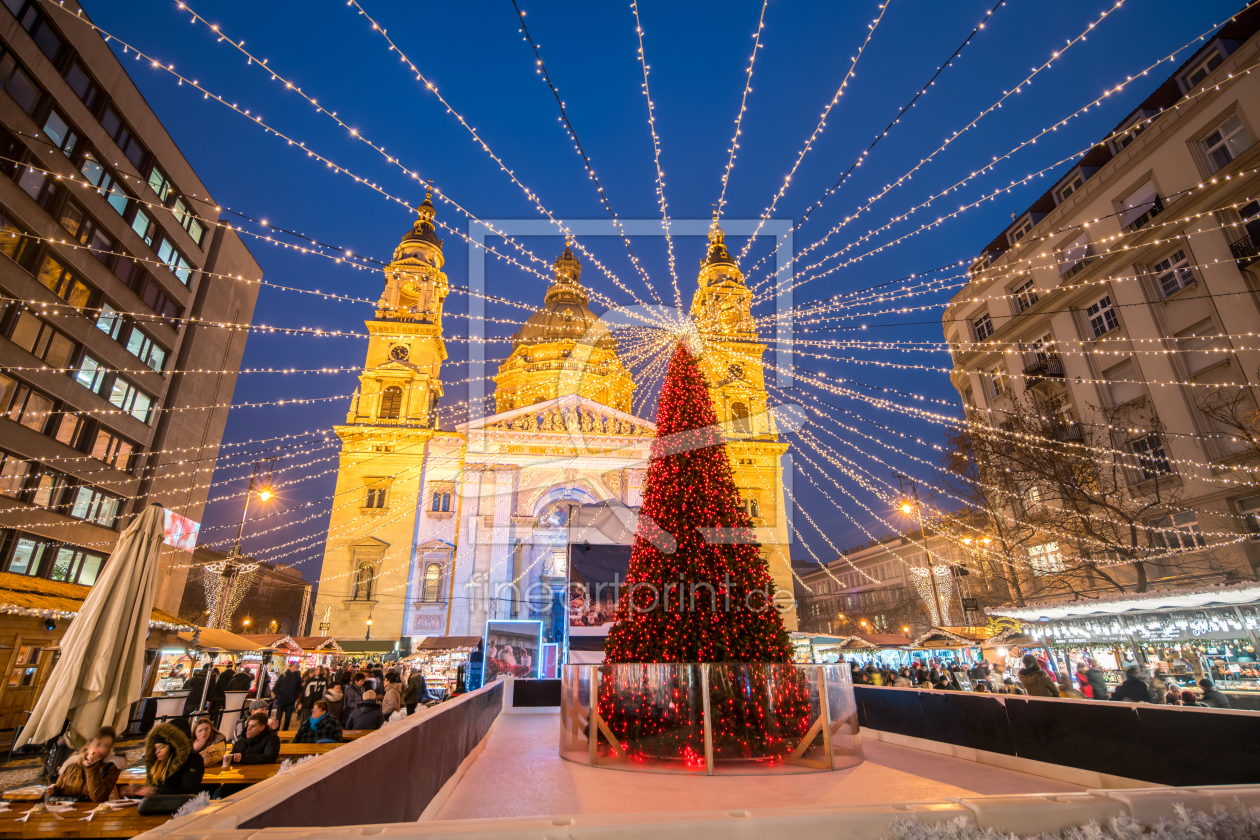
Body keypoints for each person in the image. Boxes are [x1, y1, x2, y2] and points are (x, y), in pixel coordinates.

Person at [128, 722, 204, 797]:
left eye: (162, 747)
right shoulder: (157, 763)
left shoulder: (193, 760)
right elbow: (151, 790)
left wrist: (155, 791)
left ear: (172, 747)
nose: (157, 752)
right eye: (156, 748)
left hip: (181, 807)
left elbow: (189, 791)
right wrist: (136, 792)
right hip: (157, 806)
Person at [48, 726, 122, 802]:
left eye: (106, 746)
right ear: (88, 745)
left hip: (92, 811)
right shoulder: (72, 762)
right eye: (98, 744)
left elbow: (98, 798)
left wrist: (92, 767)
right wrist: (52, 790)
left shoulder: (111, 767)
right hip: (65, 809)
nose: (102, 749)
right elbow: (58, 787)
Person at [272, 662, 302, 730]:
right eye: (296, 666)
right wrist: (278, 695)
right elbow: (276, 687)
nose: (297, 667)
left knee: (288, 718)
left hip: (290, 700)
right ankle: (276, 730)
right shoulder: (284, 675)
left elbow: (299, 689)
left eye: (298, 666)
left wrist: (295, 696)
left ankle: (285, 731)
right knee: (278, 717)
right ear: (291, 666)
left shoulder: (297, 677)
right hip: (281, 699)